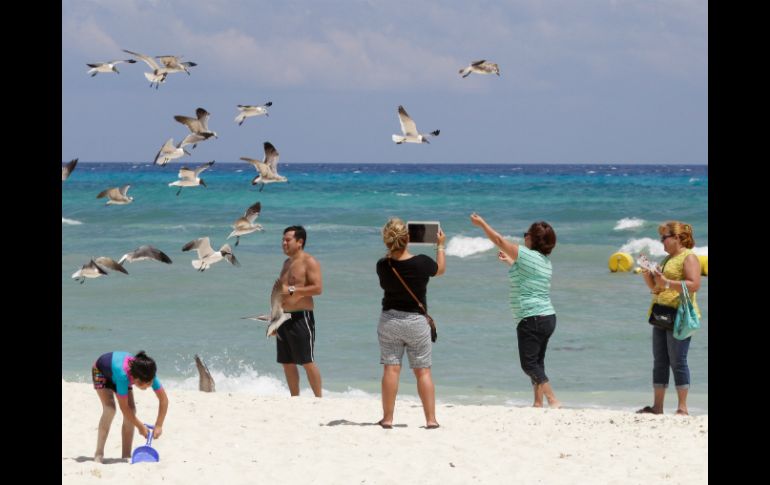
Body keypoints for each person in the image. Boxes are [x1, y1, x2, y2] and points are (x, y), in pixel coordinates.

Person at [470, 213, 560, 408]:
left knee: (529, 364)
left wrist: (482, 224)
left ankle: (552, 399)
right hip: (547, 317)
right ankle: (537, 402)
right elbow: (528, 278)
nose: (524, 237)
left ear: (532, 239)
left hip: (531, 317)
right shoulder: (544, 262)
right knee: (538, 362)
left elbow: (499, 240)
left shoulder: (527, 255)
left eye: (526, 234)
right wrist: (510, 262)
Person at [375, 218, 445, 429]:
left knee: (391, 369)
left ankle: (388, 419)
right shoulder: (422, 262)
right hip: (416, 322)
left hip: (390, 321)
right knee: (423, 371)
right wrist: (440, 245)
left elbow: (391, 266)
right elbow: (440, 269)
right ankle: (431, 420)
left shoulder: (382, 265)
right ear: (408, 239)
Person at [638, 221, 701, 416]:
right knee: (660, 361)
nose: (662, 241)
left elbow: (694, 284)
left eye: (664, 237)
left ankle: (682, 408)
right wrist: (648, 275)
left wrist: (666, 282)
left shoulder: (688, 257)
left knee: (678, 360)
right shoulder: (666, 259)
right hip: (661, 313)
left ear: (677, 238)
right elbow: (657, 289)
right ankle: (658, 407)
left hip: (680, 315)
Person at [91, 350, 169, 463]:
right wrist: (140, 427)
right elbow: (124, 408)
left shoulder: (148, 373)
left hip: (119, 374)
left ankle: (126, 455)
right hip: (101, 371)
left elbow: (164, 400)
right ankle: (99, 453)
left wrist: (159, 425)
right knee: (110, 409)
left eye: (150, 383)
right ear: (136, 381)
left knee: (132, 410)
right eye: (146, 385)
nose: (148, 387)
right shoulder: (123, 377)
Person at [276, 225, 324, 397]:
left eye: (287, 240)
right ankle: (295, 398)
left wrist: (291, 290)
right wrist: (275, 318)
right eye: (283, 240)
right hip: (283, 317)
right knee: (287, 362)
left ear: (300, 241)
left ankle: (319, 398)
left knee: (307, 361)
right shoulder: (286, 263)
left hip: (301, 317)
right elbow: (280, 291)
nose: (283, 243)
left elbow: (318, 288)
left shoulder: (309, 261)